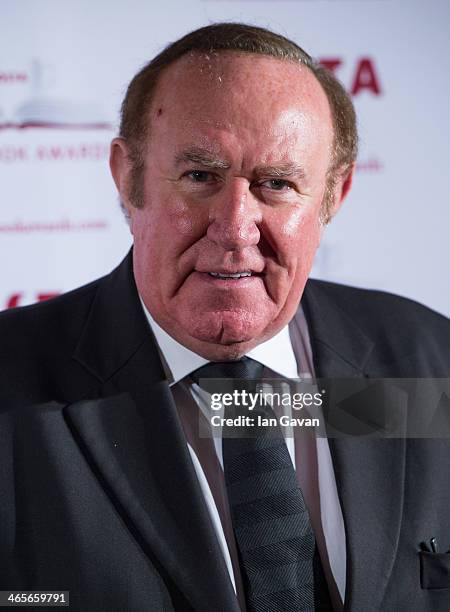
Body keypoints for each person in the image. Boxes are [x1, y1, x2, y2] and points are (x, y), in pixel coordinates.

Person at [1, 22, 450, 612]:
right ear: (126, 178)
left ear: (334, 196)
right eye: (200, 177)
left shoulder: (429, 359)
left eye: (278, 184)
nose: (236, 229)